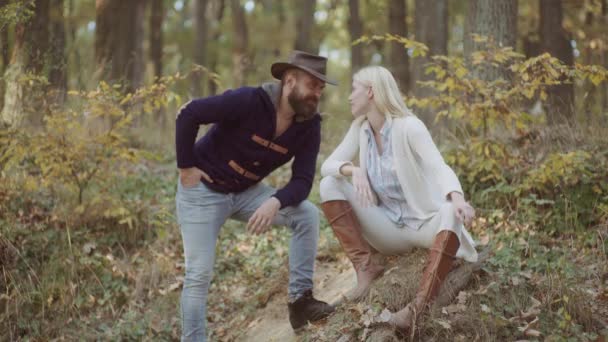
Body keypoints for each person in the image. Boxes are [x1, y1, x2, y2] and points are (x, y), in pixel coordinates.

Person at [175, 50, 336, 341]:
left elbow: (302, 180)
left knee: (307, 214)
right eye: (312, 85)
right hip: (203, 192)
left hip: (246, 193)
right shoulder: (249, 101)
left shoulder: (309, 126)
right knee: (198, 275)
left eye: (321, 89)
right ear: (289, 81)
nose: (317, 94)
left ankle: (300, 303)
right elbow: (190, 113)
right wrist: (186, 167)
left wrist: (275, 201)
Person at [319, 66, 478, 332]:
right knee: (329, 183)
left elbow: (439, 166)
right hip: (389, 230)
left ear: (370, 91)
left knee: (450, 211)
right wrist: (352, 169)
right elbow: (328, 165)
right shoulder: (360, 129)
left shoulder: (409, 127)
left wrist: (458, 198)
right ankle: (366, 270)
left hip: (425, 225)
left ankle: (416, 310)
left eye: (354, 88)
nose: (349, 96)